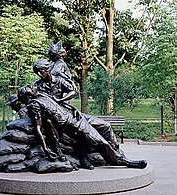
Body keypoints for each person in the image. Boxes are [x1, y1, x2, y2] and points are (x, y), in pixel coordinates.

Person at [17, 85, 147, 169]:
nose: (32, 86)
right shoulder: (34, 105)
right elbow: (39, 128)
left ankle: (116, 152)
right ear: (27, 95)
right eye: (28, 87)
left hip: (77, 115)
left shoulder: (41, 94)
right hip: (73, 125)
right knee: (100, 142)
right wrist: (46, 148)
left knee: (105, 126)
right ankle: (123, 161)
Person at [33, 58, 120, 151]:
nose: (39, 74)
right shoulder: (37, 86)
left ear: (47, 69)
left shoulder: (59, 80)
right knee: (84, 135)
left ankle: (116, 150)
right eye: (37, 72)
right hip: (60, 119)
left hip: (70, 112)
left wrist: (60, 99)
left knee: (106, 125)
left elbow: (72, 91)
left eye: (41, 71)